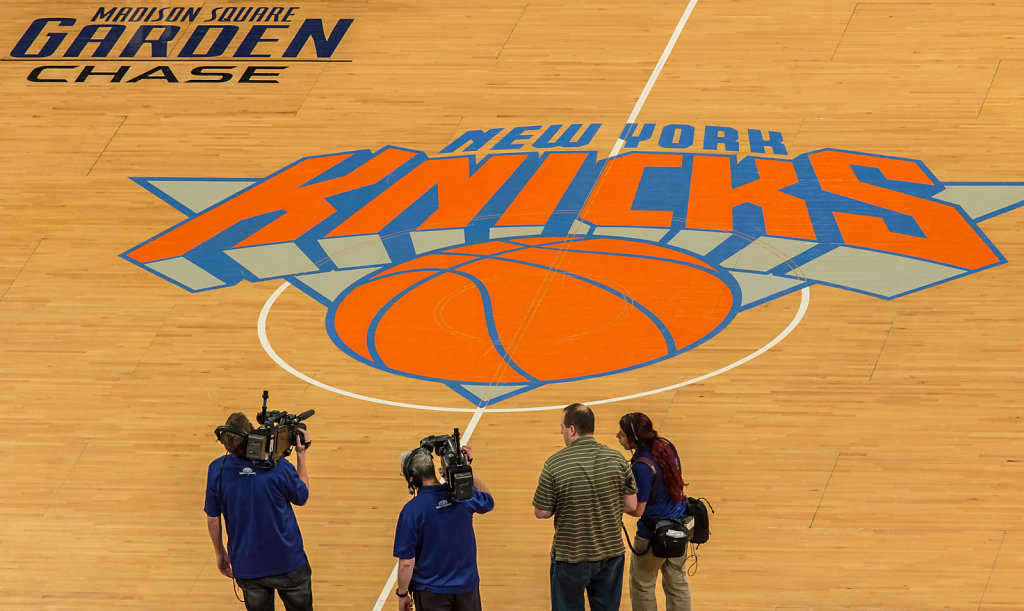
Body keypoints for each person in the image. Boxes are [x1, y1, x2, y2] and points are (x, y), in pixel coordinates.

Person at [533, 403, 639, 611]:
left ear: (572, 429)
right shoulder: (617, 459)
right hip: (611, 553)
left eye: (562, 427)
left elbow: (541, 511)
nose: (560, 431)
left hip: (570, 555)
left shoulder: (555, 464)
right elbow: (631, 504)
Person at [204, 412, 313, 611]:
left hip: (247, 565)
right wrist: (301, 455)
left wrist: (220, 553)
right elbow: (302, 497)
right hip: (288, 561)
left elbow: (213, 519)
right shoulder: (278, 467)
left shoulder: (216, 469)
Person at [393, 443, 495, 611]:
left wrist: (402, 594)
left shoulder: (412, 510)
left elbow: (406, 563)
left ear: (412, 478)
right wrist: (467, 471)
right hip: (467, 589)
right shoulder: (462, 496)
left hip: (431, 592)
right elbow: (488, 501)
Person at [616, 412, 691, 611]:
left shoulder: (641, 467)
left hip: (653, 536)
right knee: (677, 583)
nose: (617, 437)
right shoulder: (666, 446)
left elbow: (637, 509)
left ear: (634, 439)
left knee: (642, 584)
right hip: (679, 528)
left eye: (622, 434)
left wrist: (613, 504)